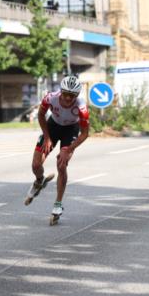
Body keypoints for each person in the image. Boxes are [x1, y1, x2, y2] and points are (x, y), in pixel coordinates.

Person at [26, 75, 90, 223]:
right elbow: (41, 115)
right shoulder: (50, 98)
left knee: (61, 164)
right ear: (61, 91)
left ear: (77, 95)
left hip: (70, 130)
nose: (68, 98)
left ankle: (58, 204)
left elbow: (85, 133)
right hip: (52, 127)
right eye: (66, 94)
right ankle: (39, 181)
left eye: (72, 95)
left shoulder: (81, 107)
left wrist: (69, 149)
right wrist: (47, 137)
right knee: (36, 164)